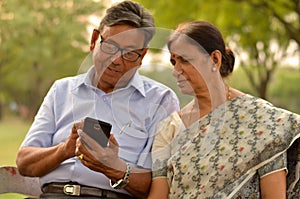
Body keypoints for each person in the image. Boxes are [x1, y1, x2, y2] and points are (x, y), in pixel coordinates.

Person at [16, 1, 180, 199]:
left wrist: (114, 167)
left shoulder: (160, 100)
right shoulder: (62, 90)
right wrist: (66, 149)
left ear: (142, 56)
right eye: (111, 46)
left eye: (129, 53)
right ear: (95, 40)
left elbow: (158, 184)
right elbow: (24, 163)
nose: (116, 60)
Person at [147, 20, 300, 199]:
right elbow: (159, 195)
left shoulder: (263, 120)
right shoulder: (170, 129)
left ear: (215, 59)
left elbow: (274, 195)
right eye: (174, 62)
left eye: (185, 60)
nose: (176, 70)